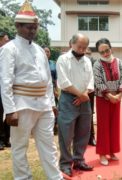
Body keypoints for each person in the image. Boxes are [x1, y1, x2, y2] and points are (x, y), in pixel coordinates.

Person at [0, 1, 63, 179]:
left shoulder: (39, 50)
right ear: (18, 26)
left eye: (35, 27)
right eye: (29, 27)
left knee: (48, 145)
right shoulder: (8, 49)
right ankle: (23, 178)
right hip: (21, 105)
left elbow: (48, 80)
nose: (33, 31)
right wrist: (10, 110)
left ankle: (55, 177)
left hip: (43, 105)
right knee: (19, 146)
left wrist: (51, 103)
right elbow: (5, 81)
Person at [56, 33, 94, 177]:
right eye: (79, 46)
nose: (82, 50)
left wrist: (84, 95)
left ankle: (79, 160)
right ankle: (65, 164)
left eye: (84, 47)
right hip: (68, 99)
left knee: (83, 132)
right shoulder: (63, 59)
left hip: (84, 100)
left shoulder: (87, 61)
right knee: (66, 134)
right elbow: (64, 82)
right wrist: (80, 94)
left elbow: (91, 80)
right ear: (71, 44)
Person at [93, 38, 122, 166]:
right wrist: (109, 95)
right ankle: (102, 153)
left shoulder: (119, 62)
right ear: (99, 53)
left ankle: (112, 151)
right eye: (102, 52)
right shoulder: (97, 64)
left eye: (107, 50)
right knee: (103, 126)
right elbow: (98, 82)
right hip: (103, 98)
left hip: (117, 97)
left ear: (111, 48)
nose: (105, 53)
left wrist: (120, 94)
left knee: (114, 125)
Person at [43, 46, 59, 134]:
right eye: (44, 51)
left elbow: (56, 78)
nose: (46, 53)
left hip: (52, 88)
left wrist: (56, 89)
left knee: (54, 106)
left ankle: (54, 125)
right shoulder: (37, 63)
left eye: (48, 51)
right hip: (42, 89)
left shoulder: (53, 63)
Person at [0, 31, 10, 151]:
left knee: (9, 111)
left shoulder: (9, 52)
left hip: (8, 87)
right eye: (6, 40)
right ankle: (0, 140)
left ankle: (6, 139)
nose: (8, 42)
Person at [85, 47, 96, 146]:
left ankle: (91, 137)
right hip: (76, 92)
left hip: (90, 92)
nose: (87, 54)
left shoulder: (93, 61)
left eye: (88, 53)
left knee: (89, 115)